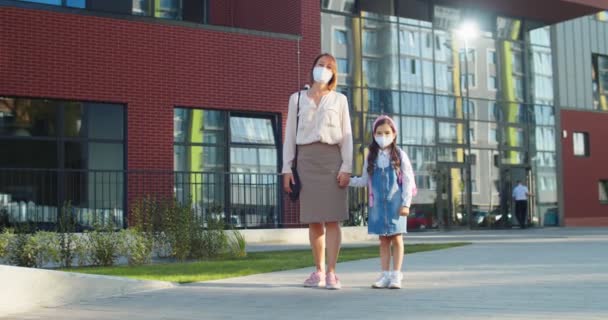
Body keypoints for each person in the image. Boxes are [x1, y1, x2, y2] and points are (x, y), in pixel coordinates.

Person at [282, 53, 353, 290]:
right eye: (320, 65)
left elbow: (347, 136)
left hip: (332, 160)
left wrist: (347, 167)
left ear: (334, 74)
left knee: (333, 219)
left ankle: (332, 273)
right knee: (314, 221)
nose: (323, 69)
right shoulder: (297, 99)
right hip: (306, 162)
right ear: (313, 67)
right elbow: (289, 136)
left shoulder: (340, 100)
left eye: (329, 67)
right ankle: (318, 272)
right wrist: (287, 169)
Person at [349, 115, 415, 289]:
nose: (383, 136)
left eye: (387, 132)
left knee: (397, 238)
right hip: (377, 205)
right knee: (383, 240)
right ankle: (385, 275)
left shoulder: (400, 154)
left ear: (394, 134)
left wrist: (406, 203)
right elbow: (364, 180)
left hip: (396, 204)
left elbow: (408, 180)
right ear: (374, 134)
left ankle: (396, 275)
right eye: (379, 133)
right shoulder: (371, 156)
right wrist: (348, 181)